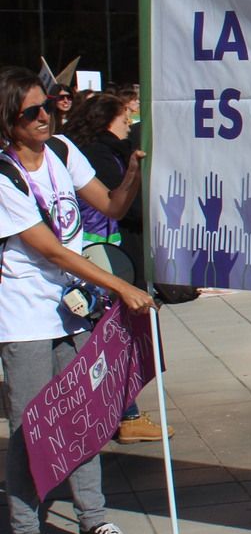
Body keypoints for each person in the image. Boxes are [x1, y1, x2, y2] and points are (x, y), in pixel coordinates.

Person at [0, 67, 155, 534]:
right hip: (24, 316)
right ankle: (26, 531)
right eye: (32, 112)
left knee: (85, 415)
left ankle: (94, 521)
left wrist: (134, 171)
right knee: (30, 424)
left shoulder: (63, 152)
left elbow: (109, 205)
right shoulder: (3, 175)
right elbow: (52, 251)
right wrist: (121, 286)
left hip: (72, 309)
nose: (46, 116)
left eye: (47, 105)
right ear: (8, 121)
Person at [60, 93, 171, 443]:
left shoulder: (85, 149)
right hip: (98, 253)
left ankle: (124, 411)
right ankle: (122, 414)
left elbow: (117, 202)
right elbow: (118, 205)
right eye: (125, 118)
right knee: (109, 335)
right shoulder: (96, 153)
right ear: (107, 119)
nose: (129, 124)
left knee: (118, 334)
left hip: (105, 249)